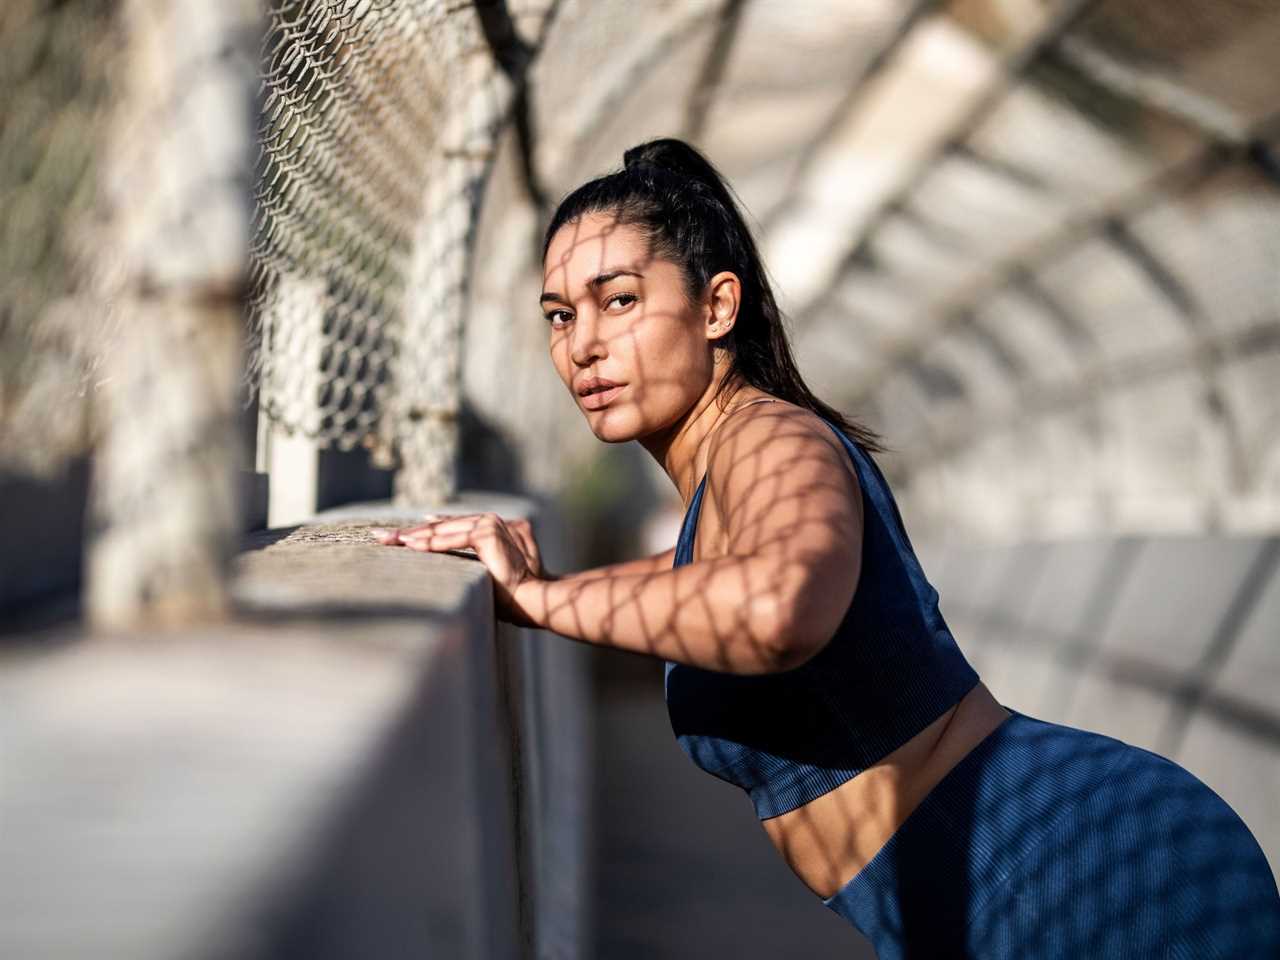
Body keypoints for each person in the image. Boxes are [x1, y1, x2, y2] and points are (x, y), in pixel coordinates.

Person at [378, 137, 1280, 958]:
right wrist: (537, 586)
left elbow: (776, 610)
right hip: (969, 881)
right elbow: (686, 581)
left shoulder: (771, 440)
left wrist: (537, 601)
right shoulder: (721, 481)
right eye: (559, 316)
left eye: (619, 300)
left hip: (1072, 867)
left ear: (715, 307)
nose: (583, 346)